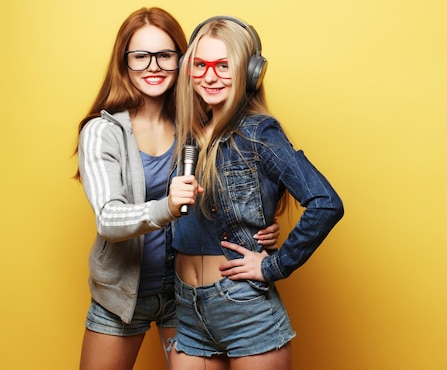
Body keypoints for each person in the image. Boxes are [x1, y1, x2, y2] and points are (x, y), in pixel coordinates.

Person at [74, 8, 280, 370]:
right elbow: (108, 218)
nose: (153, 66)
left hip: (185, 295)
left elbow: (234, 187)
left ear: (183, 62)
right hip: (122, 295)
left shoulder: (197, 126)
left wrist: (258, 227)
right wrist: (165, 207)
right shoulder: (101, 132)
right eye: (140, 56)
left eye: (165, 55)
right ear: (123, 63)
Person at [168, 16, 344, 370]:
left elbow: (326, 203)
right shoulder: (191, 134)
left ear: (250, 72)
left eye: (224, 65)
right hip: (187, 309)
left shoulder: (259, 133)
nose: (210, 76)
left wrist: (272, 266)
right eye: (200, 65)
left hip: (243, 307)